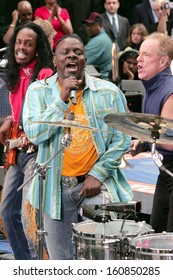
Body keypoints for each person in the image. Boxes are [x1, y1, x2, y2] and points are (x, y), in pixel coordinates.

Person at [22, 33, 133, 260]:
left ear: (84, 59)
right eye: (65, 52)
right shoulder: (38, 91)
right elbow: (34, 134)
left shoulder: (109, 92)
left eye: (78, 52)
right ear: (55, 60)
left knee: (101, 260)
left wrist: (98, 173)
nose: (72, 55)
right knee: (62, 261)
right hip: (55, 191)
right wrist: (61, 100)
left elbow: (122, 138)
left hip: (95, 187)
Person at [0, 22, 54, 260]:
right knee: (6, 210)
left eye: (28, 44)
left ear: (38, 49)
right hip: (17, 152)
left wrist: (26, 136)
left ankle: (36, 267)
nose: (21, 47)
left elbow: (48, 114)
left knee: (27, 217)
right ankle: (25, 264)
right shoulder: (12, 71)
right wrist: (9, 121)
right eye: (19, 42)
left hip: (36, 153)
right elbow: (18, 108)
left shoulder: (44, 75)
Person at [129, 32, 173, 233]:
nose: (138, 59)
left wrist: (143, 136)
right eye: (139, 54)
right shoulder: (153, 86)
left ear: (163, 61)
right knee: (156, 235)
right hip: (166, 171)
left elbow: (169, 142)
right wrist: (143, 140)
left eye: (146, 55)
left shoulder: (170, 90)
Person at [83, 12, 112, 80]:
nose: (87, 28)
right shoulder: (102, 37)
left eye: (91, 25)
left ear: (100, 25)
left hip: (102, 80)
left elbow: (80, 62)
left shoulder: (99, 41)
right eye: (87, 25)